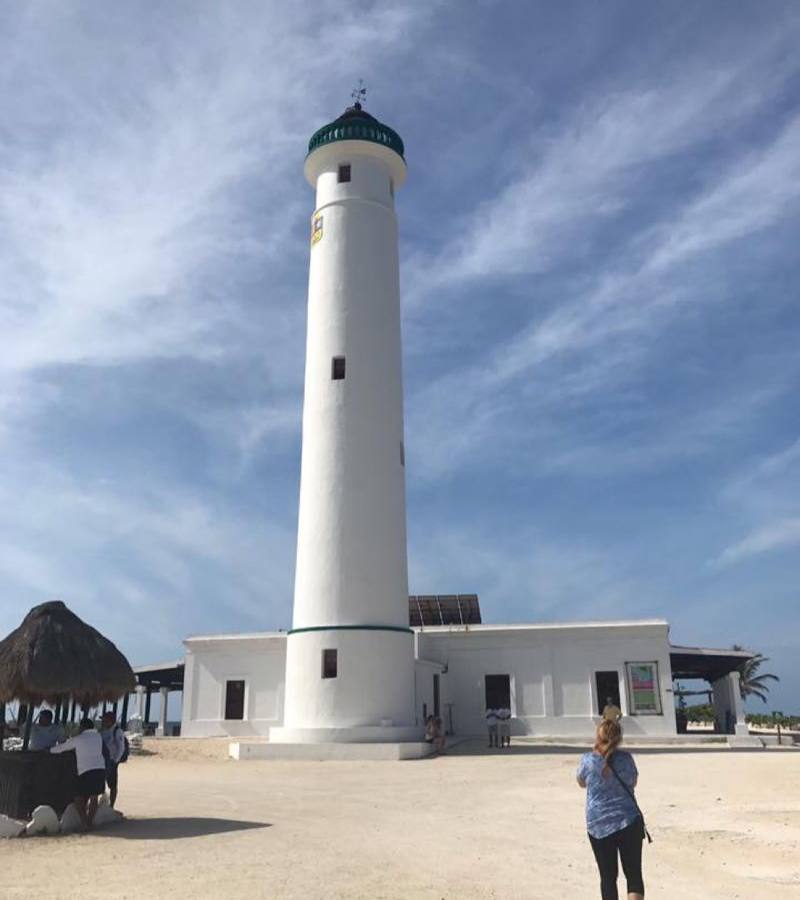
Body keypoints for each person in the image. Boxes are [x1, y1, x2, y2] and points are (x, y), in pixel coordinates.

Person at [577, 720, 645, 900]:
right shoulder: (627, 759)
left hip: (599, 825)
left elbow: (581, 782)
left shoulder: (588, 760)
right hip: (628, 821)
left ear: (598, 737)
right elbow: (634, 781)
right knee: (634, 875)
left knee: (608, 878)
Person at [50, 718, 107, 830]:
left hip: (86, 770)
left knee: (77, 796)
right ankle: (89, 822)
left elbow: (62, 747)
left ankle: (84, 822)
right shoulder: (98, 737)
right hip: (100, 768)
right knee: (94, 797)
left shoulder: (79, 738)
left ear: (83, 727)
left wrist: (50, 750)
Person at [100, 711, 126, 807]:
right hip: (102, 760)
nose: (102, 721)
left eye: (104, 720)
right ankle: (102, 803)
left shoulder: (117, 731)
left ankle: (111, 805)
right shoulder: (103, 731)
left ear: (110, 720)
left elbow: (121, 747)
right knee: (100, 783)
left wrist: (115, 761)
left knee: (112, 784)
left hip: (111, 761)